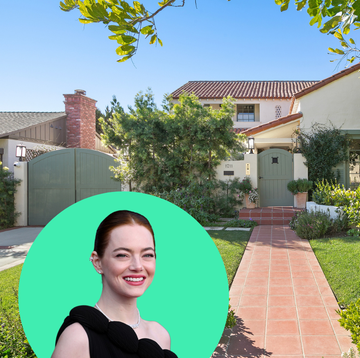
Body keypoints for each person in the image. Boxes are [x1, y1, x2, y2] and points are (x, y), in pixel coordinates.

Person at [52, 210, 177, 358]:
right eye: (122, 255)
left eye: (147, 255)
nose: (137, 266)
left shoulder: (161, 335)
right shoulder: (77, 338)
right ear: (97, 263)